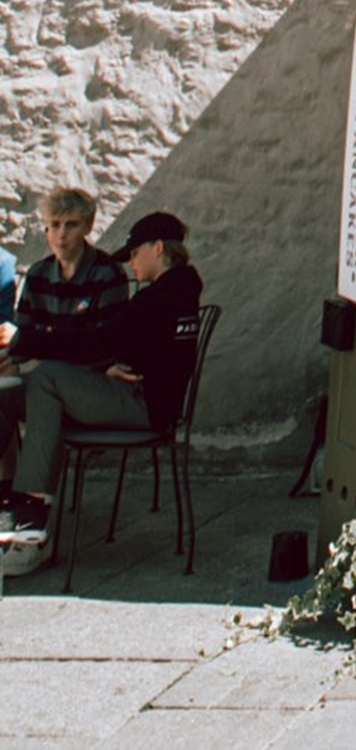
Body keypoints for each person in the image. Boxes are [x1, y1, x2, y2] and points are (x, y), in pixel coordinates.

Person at [0, 211, 202, 549]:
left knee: (47, 378)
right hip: (132, 392)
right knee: (6, 397)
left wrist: (24, 340)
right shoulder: (176, 291)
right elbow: (121, 345)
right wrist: (108, 363)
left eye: (135, 254)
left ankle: (31, 513)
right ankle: (10, 499)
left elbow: (97, 342)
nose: (131, 264)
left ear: (157, 248)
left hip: (145, 405)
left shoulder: (160, 297)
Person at [0, 188, 132, 492]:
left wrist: (35, 342)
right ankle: (9, 493)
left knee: (47, 386)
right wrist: (9, 352)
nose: (61, 234)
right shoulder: (38, 274)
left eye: (71, 225)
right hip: (46, 385)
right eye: (54, 225)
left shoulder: (107, 274)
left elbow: (105, 347)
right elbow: (22, 342)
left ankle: (30, 510)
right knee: (3, 395)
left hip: (88, 387)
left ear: (87, 227)